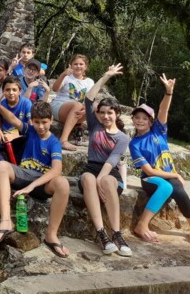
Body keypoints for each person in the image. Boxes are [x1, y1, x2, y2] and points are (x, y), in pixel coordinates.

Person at [0, 101, 70, 257]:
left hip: (42, 183)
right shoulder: (30, 130)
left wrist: (31, 186)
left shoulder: (54, 143)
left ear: (51, 120)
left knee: (63, 183)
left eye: (44, 122)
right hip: (23, 173)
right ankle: (6, 221)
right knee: (1, 166)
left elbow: (57, 169)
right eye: (37, 122)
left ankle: (51, 235)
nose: (40, 126)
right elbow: (12, 119)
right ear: (32, 120)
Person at [129, 74, 190, 246]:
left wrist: (168, 92)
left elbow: (163, 110)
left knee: (176, 189)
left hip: (167, 176)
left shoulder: (158, 131)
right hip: (150, 179)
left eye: (144, 118)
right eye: (137, 118)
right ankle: (141, 225)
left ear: (150, 121)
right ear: (132, 120)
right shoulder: (135, 143)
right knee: (167, 185)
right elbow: (148, 171)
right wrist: (175, 175)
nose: (140, 120)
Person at [77, 64, 132, 256]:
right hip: (91, 167)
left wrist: (102, 178)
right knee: (88, 179)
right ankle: (102, 233)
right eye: (103, 112)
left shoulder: (123, 137)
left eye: (110, 112)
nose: (106, 116)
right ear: (98, 114)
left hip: (109, 171)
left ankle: (116, 233)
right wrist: (106, 76)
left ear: (117, 114)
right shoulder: (95, 126)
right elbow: (89, 97)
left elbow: (113, 160)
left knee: (107, 180)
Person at [51, 54, 94, 151]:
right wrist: (63, 74)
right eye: (75, 64)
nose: (78, 66)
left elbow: (89, 100)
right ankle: (63, 140)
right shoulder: (67, 77)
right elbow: (55, 89)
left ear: (85, 67)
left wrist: (86, 111)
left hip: (76, 111)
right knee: (77, 105)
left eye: (81, 64)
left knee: (95, 107)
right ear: (70, 65)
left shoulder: (89, 82)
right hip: (59, 107)